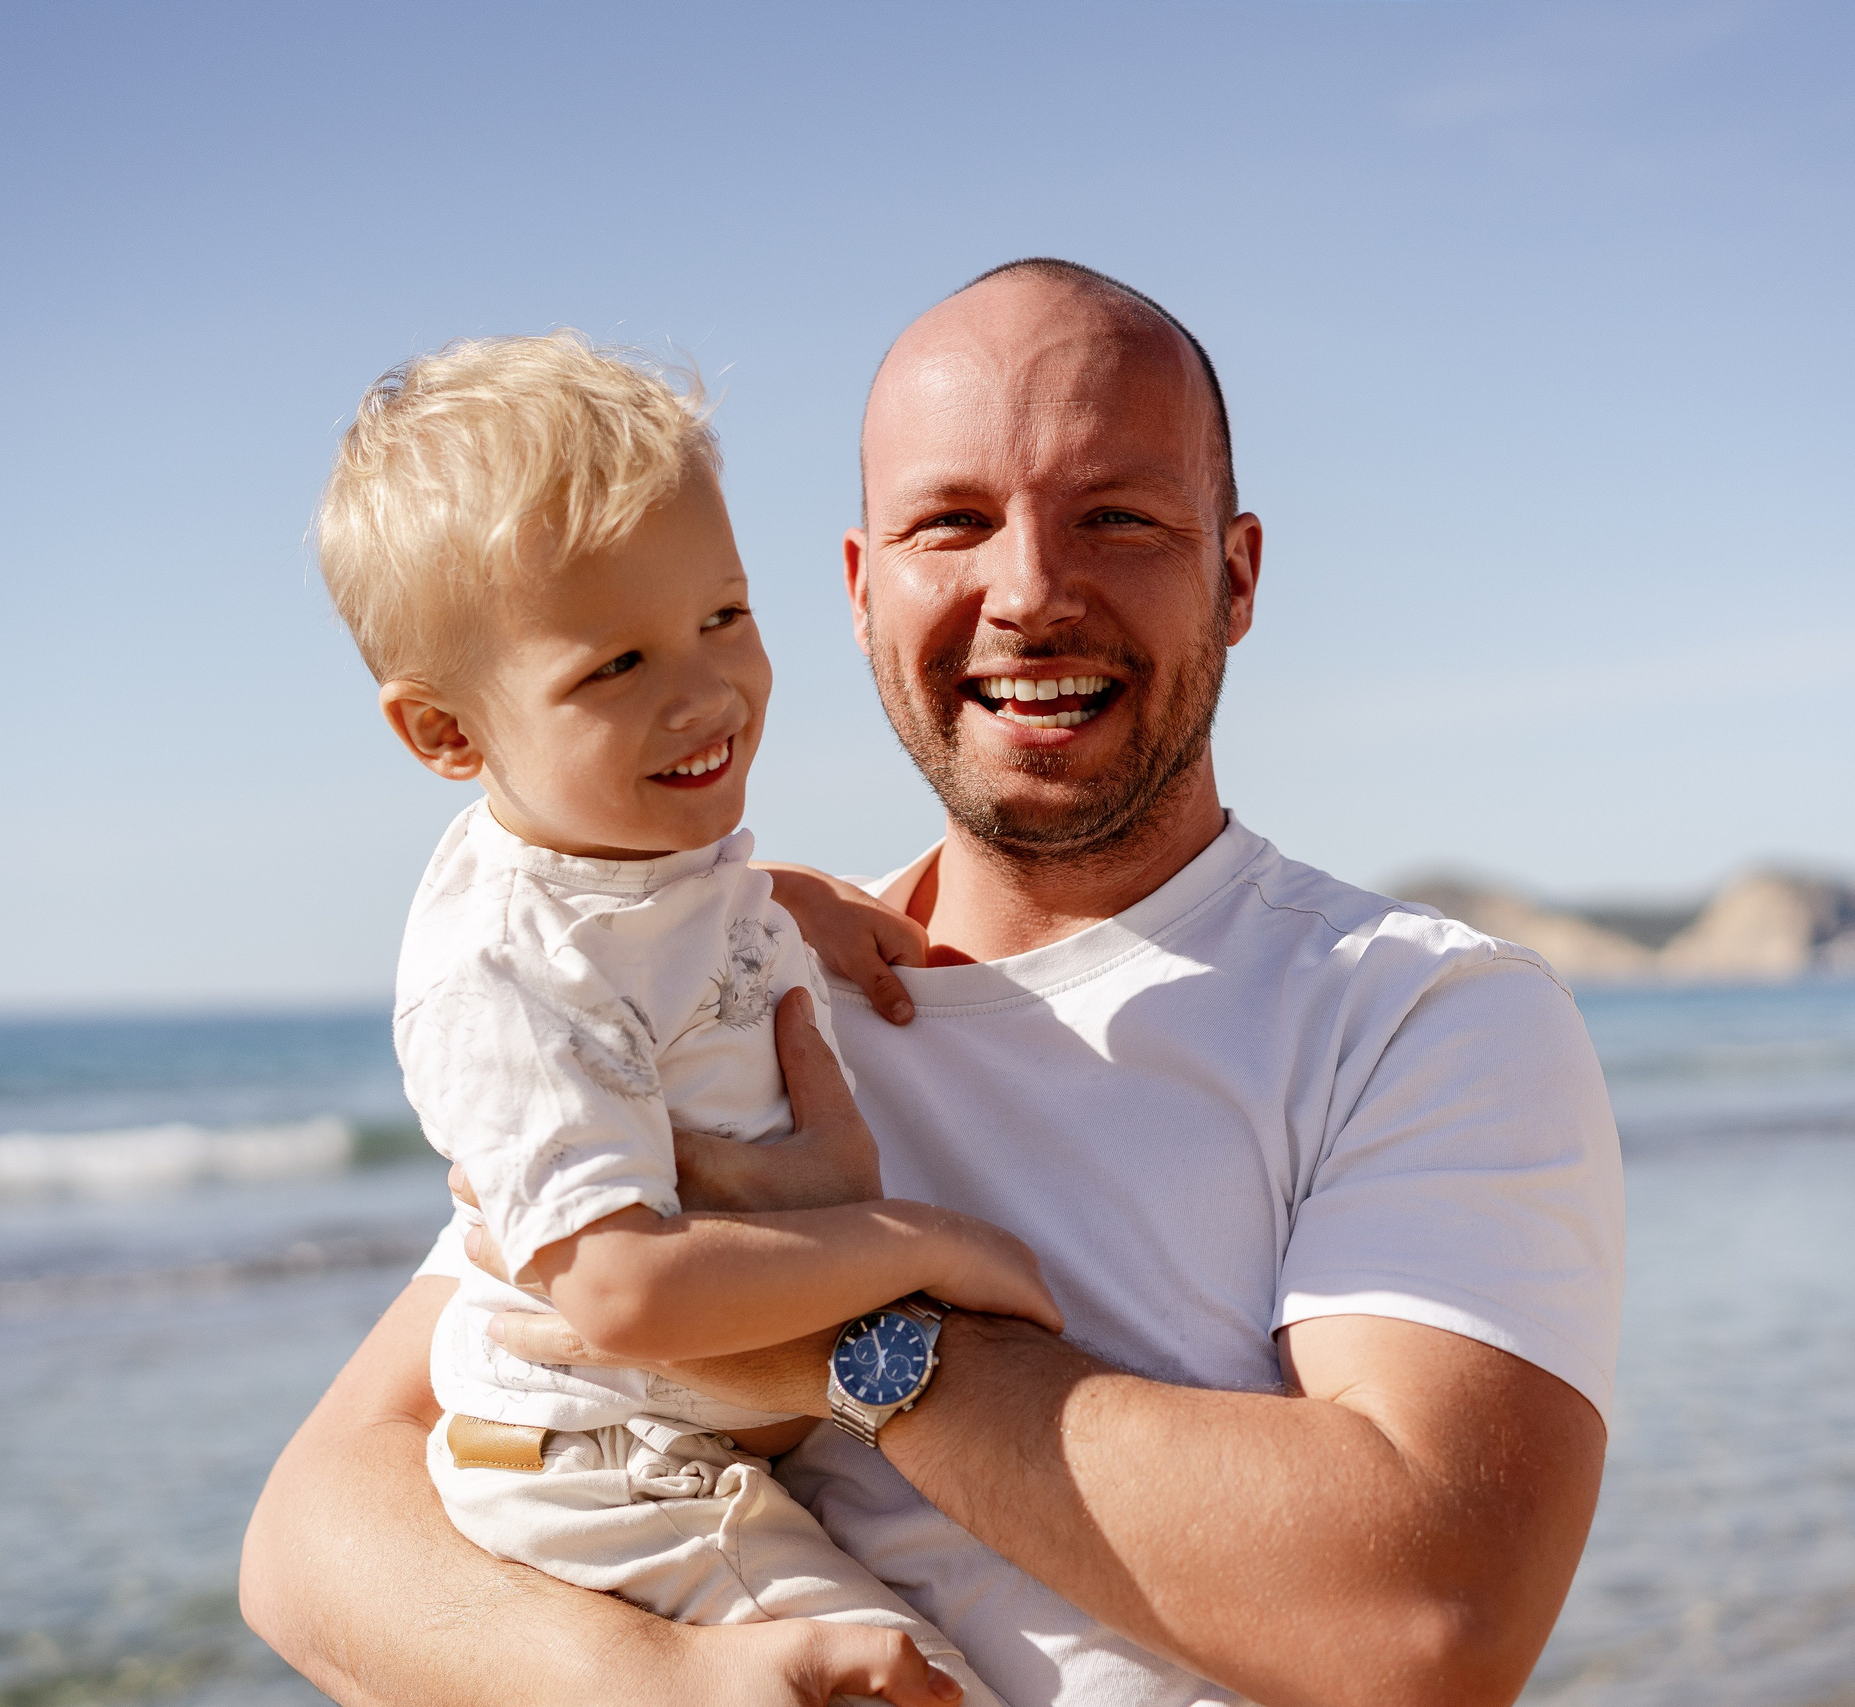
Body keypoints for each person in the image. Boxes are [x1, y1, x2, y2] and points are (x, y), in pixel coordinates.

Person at [243, 259, 1625, 1707]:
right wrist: (656, 1675)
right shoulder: (713, 974)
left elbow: (1426, 1622)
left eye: (1120, 517)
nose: (1029, 593)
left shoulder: (1416, 1013)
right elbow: (320, 1529)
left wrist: (851, 1342)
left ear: (1235, 575)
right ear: (859, 589)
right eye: (951, 524)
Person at [312, 331, 1063, 1707]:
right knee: (913, 1687)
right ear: (446, 737)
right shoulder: (499, 971)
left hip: (695, 1447)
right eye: (615, 666)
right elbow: (619, 1290)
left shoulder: (626, 848)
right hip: (619, 1476)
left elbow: (652, 922)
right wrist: (927, 1246)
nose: (704, 689)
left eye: (725, 616)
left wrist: (783, 901)